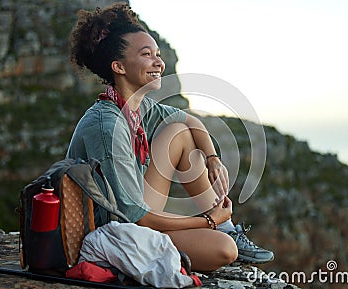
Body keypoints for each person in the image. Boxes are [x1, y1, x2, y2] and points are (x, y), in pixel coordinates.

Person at [67, 2, 274, 272]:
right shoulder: (108, 126)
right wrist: (207, 221)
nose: (159, 62)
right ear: (118, 67)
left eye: (157, 54)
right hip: (110, 233)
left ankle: (226, 227)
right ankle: (220, 229)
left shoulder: (136, 107)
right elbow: (136, 219)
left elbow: (190, 120)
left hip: (129, 216)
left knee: (179, 132)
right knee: (224, 250)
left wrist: (212, 158)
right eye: (146, 54)